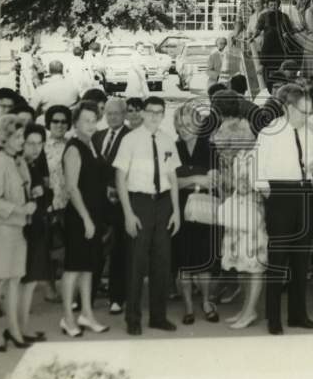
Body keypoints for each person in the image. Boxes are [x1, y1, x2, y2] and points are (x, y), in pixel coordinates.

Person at [253, 83, 313, 335]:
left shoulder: (308, 133)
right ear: (288, 108)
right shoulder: (270, 132)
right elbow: (258, 168)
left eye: (308, 113)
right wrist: (268, 195)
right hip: (280, 195)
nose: (306, 117)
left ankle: (298, 315)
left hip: (303, 194)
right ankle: (274, 318)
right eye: (302, 112)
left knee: (301, 258)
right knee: (278, 259)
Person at [113, 96, 181, 335]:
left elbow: (173, 178)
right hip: (139, 202)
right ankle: (133, 318)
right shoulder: (130, 140)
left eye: (159, 112)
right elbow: (120, 178)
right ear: (142, 113)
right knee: (136, 263)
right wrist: (128, 214)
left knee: (162, 263)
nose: (154, 116)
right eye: (150, 111)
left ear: (163, 115)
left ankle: (158, 316)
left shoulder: (167, 140)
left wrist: (176, 212)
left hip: (163, 204)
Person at [58, 103, 111, 338]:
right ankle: (67, 318)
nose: (91, 124)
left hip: (94, 215)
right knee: (73, 268)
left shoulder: (91, 145)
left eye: (94, 120)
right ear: (76, 123)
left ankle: (86, 314)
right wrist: (87, 219)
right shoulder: (74, 148)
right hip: (80, 217)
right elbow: (72, 187)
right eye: (86, 120)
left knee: (88, 267)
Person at [0, 115, 36, 352]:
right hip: (4, 228)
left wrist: (32, 197)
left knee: (15, 279)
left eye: (21, 136)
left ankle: (13, 328)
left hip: (20, 228)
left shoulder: (19, 161)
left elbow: (24, 189)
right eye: (16, 136)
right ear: (4, 138)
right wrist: (20, 209)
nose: (21, 140)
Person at [214, 115, 267, 329]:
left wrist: (235, 183)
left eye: (227, 145)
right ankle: (246, 309)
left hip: (252, 216)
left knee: (254, 265)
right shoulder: (239, 157)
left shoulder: (254, 157)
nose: (225, 151)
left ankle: (250, 311)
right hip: (240, 213)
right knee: (243, 265)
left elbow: (252, 186)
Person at [172, 102, 220, 325]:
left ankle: (207, 302)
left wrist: (208, 179)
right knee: (183, 259)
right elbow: (168, 182)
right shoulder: (172, 149)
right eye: (180, 124)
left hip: (205, 208)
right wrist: (194, 179)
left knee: (204, 258)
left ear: (199, 125)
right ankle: (189, 307)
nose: (183, 128)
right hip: (179, 208)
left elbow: (217, 180)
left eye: (188, 123)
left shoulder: (210, 149)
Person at [91, 97, 132, 315]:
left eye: (116, 113)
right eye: (108, 113)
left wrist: (116, 188)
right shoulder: (97, 136)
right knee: (95, 250)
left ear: (124, 114)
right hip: (98, 205)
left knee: (118, 252)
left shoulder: (131, 137)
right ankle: (87, 296)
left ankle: (117, 298)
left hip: (120, 204)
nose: (112, 117)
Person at [18, 123, 53, 342]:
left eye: (39, 143)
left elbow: (48, 195)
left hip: (38, 226)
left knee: (29, 281)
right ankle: (20, 328)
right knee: (23, 281)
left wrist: (42, 193)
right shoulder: (19, 165)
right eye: (31, 143)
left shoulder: (37, 164)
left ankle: (22, 327)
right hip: (24, 228)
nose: (35, 148)